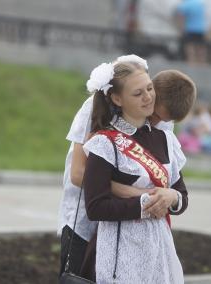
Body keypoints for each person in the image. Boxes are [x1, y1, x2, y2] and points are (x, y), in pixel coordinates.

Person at [58, 55, 196, 279]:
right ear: (118, 99)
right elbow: (78, 174)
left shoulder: (160, 127)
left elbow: (172, 182)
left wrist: (169, 196)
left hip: (140, 235)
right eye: (157, 116)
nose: (154, 122)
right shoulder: (96, 111)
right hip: (83, 217)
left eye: (148, 91)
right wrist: (145, 197)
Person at [175, 0, 207, 65]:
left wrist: (181, 30)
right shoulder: (199, 3)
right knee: (200, 48)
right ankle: (202, 65)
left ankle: (191, 64)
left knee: (190, 47)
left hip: (190, 29)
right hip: (201, 29)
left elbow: (181, 17)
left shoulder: (185, 5)